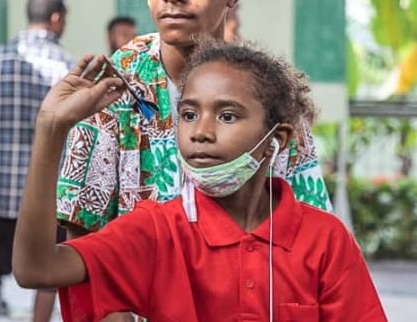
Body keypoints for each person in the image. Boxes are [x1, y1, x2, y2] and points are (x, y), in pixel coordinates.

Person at [13, 39, 387, 322]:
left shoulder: (325, 239)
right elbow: (37, 269)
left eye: (227, 116)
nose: (200, 133)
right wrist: (51, 129)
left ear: (277, 138)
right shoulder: (157, 230)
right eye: (189, 114)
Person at [55, 0, 332, 321]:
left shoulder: (267, 92)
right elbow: (82, 230)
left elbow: (311, 234)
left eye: (227, 116)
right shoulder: (113, 86)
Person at [0, 0, 74, 321]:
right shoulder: (66, 66)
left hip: (1, 193)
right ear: (56, 19)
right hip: (46, 199)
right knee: (48, 273)